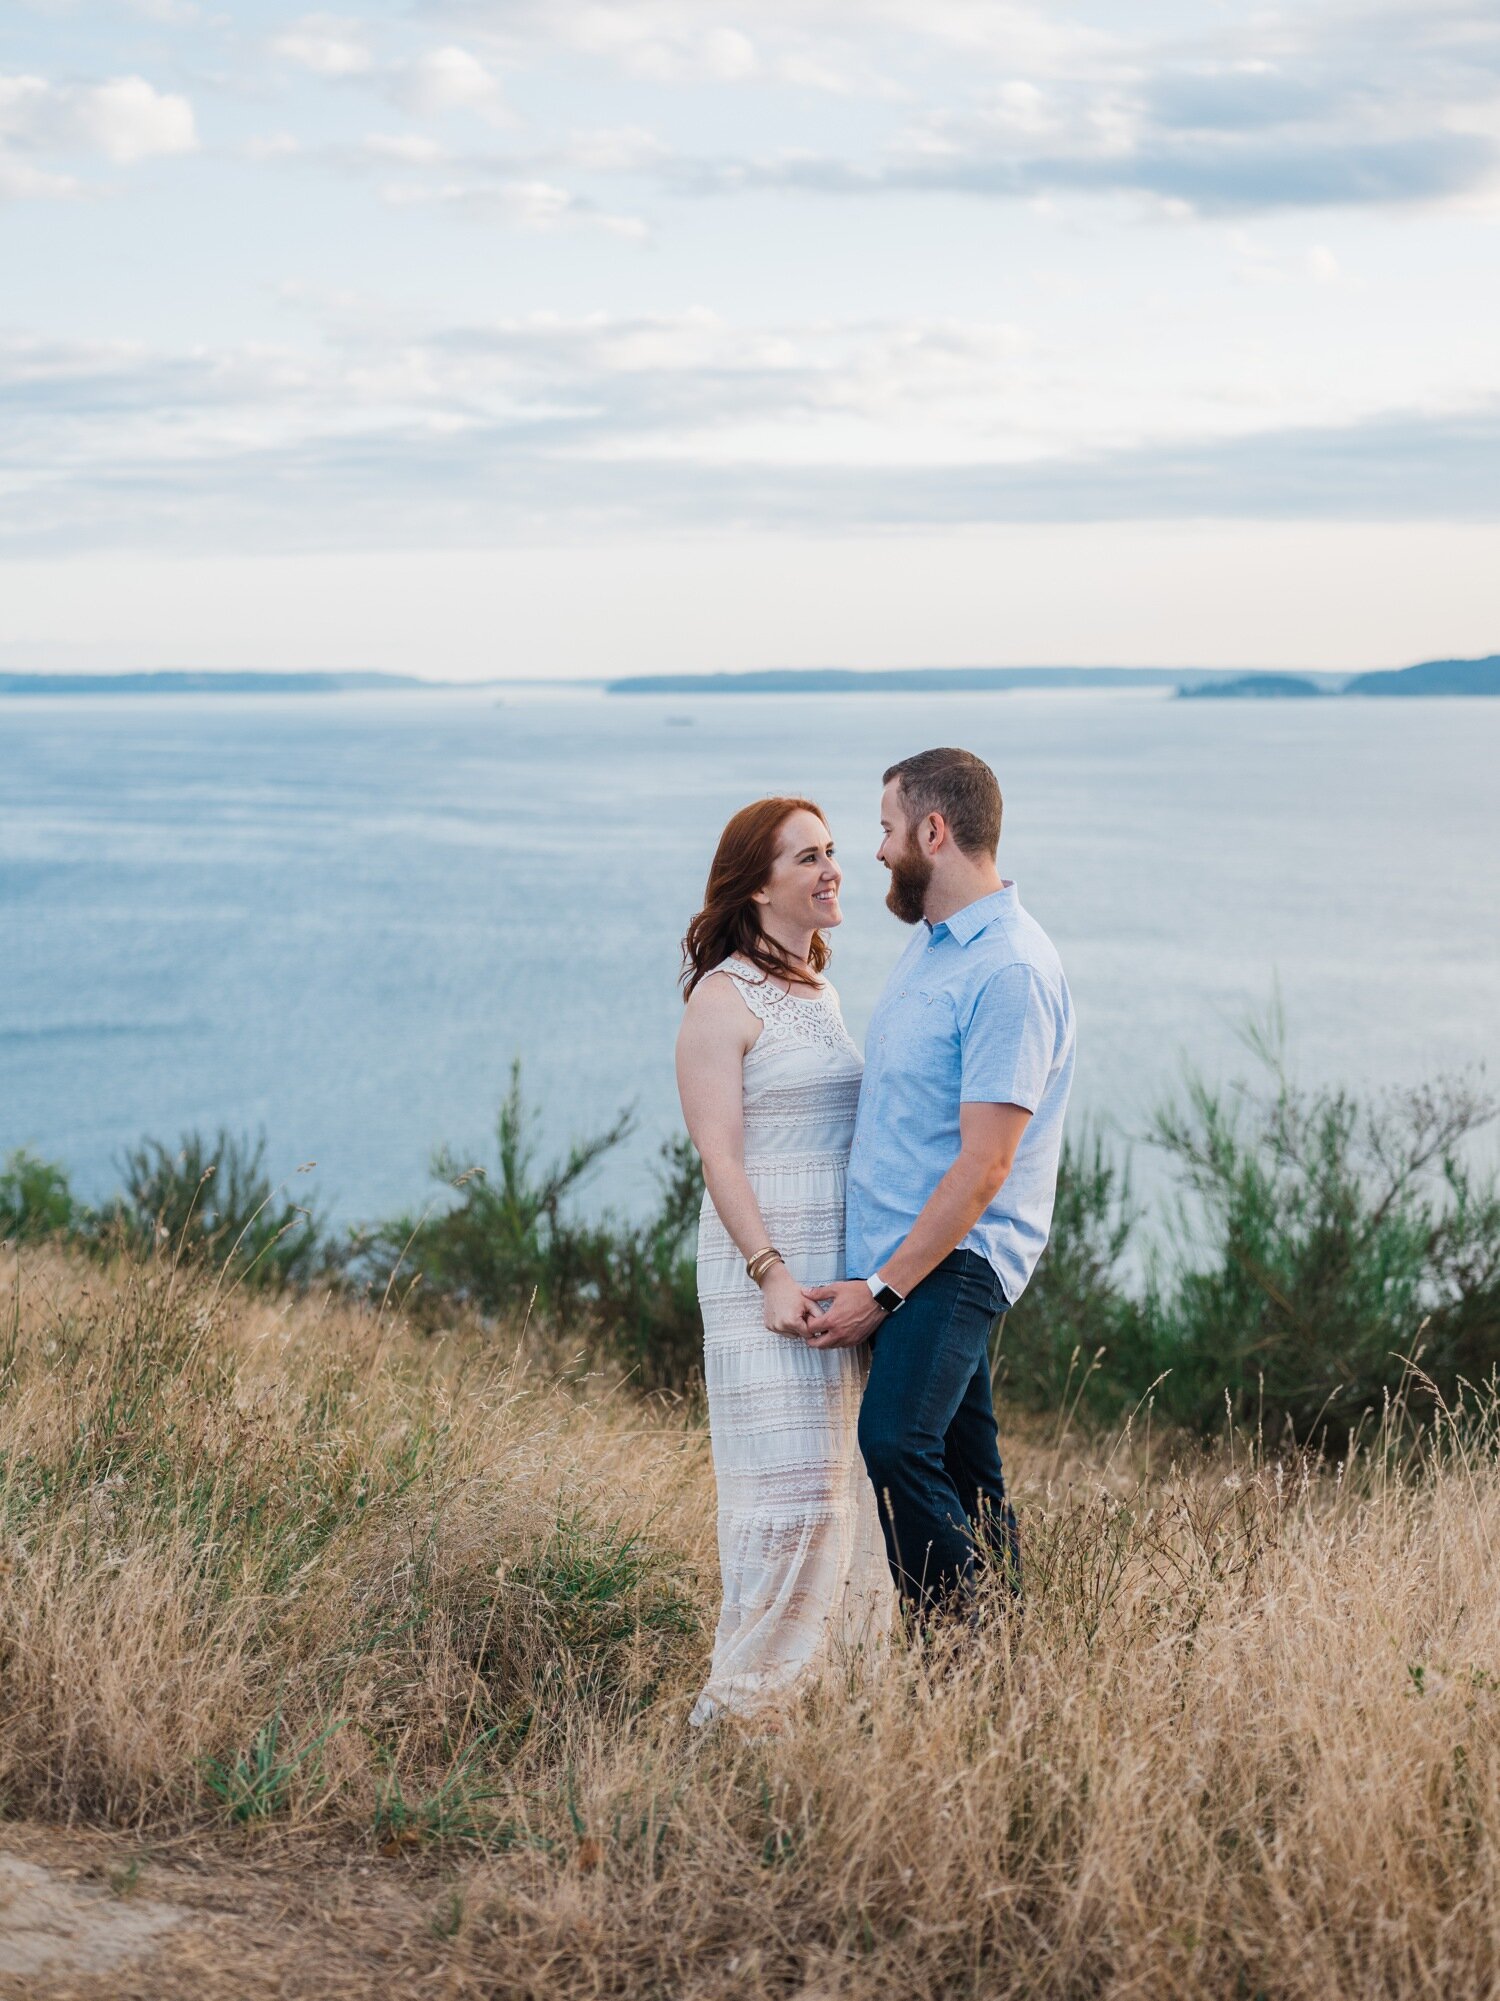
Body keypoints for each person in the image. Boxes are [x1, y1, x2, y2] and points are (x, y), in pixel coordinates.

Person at [805, 748, 1075, 1620]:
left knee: (894, 1441)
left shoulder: (1011, 970)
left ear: (933, 829)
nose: (875, 852)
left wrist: (884, 1289)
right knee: (968, 1470)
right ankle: (1009, 1674)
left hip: (953, 1257)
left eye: (886, 829)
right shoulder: (933, 947)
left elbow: (987, 1163)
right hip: (908, 1252)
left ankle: (965, 1647)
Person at [675, 797, 894, 1728]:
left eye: (835, 850)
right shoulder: (720, 998)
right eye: (809, 857)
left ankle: (818, 1707)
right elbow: (719, 1153)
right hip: (763, 1276)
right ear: (759, 884)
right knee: (786, 1493)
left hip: (836, 1281)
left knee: (839, 1491)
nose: (834, 868)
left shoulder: (822, 990)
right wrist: (769, 1270)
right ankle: (742, 1713)